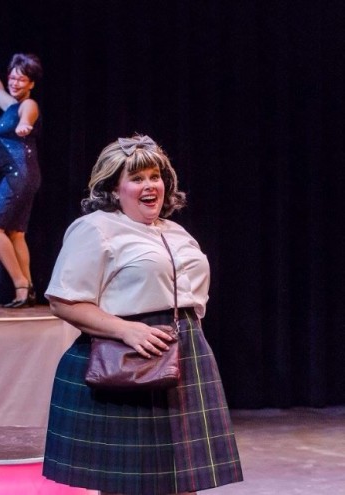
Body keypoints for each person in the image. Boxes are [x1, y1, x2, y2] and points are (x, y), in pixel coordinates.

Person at [42, 135, 243, 494]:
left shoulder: (176, 231)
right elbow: (64, 301)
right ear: (114, 189)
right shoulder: (95, 229)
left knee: (184, 480)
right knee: (128, 483)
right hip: (129, 358)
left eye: (155, 176)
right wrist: (126, 330)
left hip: (186, 353)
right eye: (136, 178)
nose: (150, 185)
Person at [0, 53, 42, 308]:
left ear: (31, 83)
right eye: (12, 78)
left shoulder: (28, 105)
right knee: (16, 233)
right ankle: (28, 288)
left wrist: (25, 126)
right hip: (21, 174)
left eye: (21, 79)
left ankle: (21, 285)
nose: (14, 83)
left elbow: (28, 117)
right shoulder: (11, 105)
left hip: (19, 173)